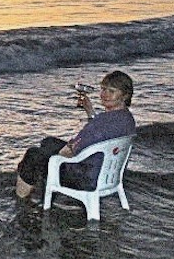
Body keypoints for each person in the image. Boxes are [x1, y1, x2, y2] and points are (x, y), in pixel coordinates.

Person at [15, 70, 136, 199]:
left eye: (111, 91)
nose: (104, 94)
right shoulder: (126, 118)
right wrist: (90, 111)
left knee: (33, 155)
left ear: (125, 95)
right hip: (104, 172)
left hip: (85, 178)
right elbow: (100, 134)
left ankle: (21, 197)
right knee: (48, 142)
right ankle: (40, 187)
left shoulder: (102, 121)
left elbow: (70, 151)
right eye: (103, 89)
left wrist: (54, 158)